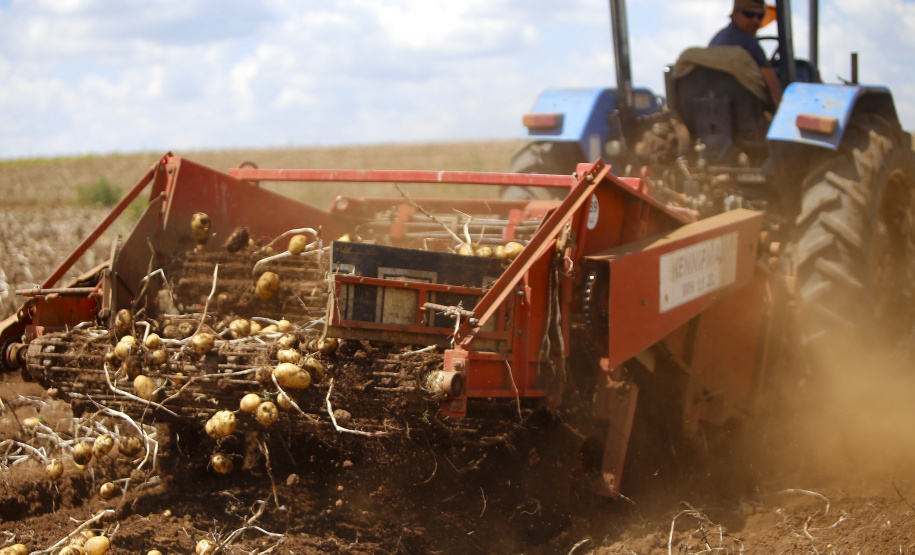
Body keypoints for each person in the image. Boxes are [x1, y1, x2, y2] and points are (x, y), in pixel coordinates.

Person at [710, 0, 782, 106]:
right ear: (735, 13)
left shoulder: (719, 37)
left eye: (760, 16)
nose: (755, 21)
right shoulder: (747, 40)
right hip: (742, 108)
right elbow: (774, 86)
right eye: (749, 14)